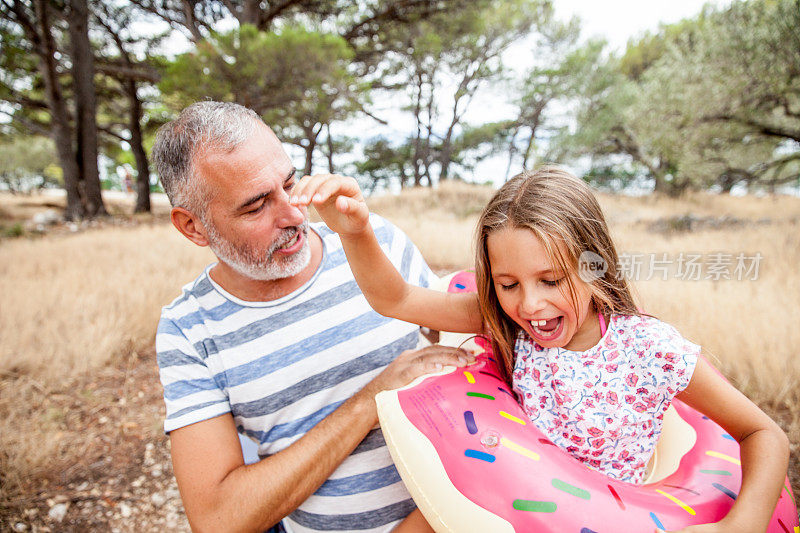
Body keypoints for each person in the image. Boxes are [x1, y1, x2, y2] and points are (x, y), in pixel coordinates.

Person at [290, 166, 790, 532]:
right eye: (508, 283)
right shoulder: (505, 324)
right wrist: (355, 232)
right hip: (511, 509)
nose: (531, 305)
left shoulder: (649, 348)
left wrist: (738, 527)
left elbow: (763, 432)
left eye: (551, 280)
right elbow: (395, 298)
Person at [151, 101, 468, 533]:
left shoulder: (368, 240)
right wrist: (372, 400)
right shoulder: (188, 330)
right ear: (193, 226)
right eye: (256, 206)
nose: (294, 215)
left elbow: (467, 341)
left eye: (289, 183)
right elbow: (219, 519)